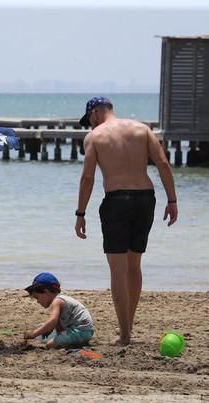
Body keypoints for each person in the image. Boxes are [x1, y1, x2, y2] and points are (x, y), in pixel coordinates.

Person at [75, 97, 178, 346]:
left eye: (89, 119)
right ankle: (128, 326)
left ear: (96, 113)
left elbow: (87, 177)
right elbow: (163, 164)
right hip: (145, 199)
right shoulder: (142, 129)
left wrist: (80, 213)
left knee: (118, 269)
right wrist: (172, 200)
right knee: (134, 265)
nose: (89, 125)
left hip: (116, 200)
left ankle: (124, 334)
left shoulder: (95, 137)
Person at [22, 272, 94, 349]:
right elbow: (58, 326)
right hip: (86, 332)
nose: (38, 301)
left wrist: (34, 334)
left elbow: (52, 320)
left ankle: (74, 345)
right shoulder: (60, 300)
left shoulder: (57, 301)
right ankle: (75, 342)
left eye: (37, 297)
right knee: (42, 329)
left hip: (80, 331)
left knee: (50, 345)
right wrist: (49, 330)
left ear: (46, 292)